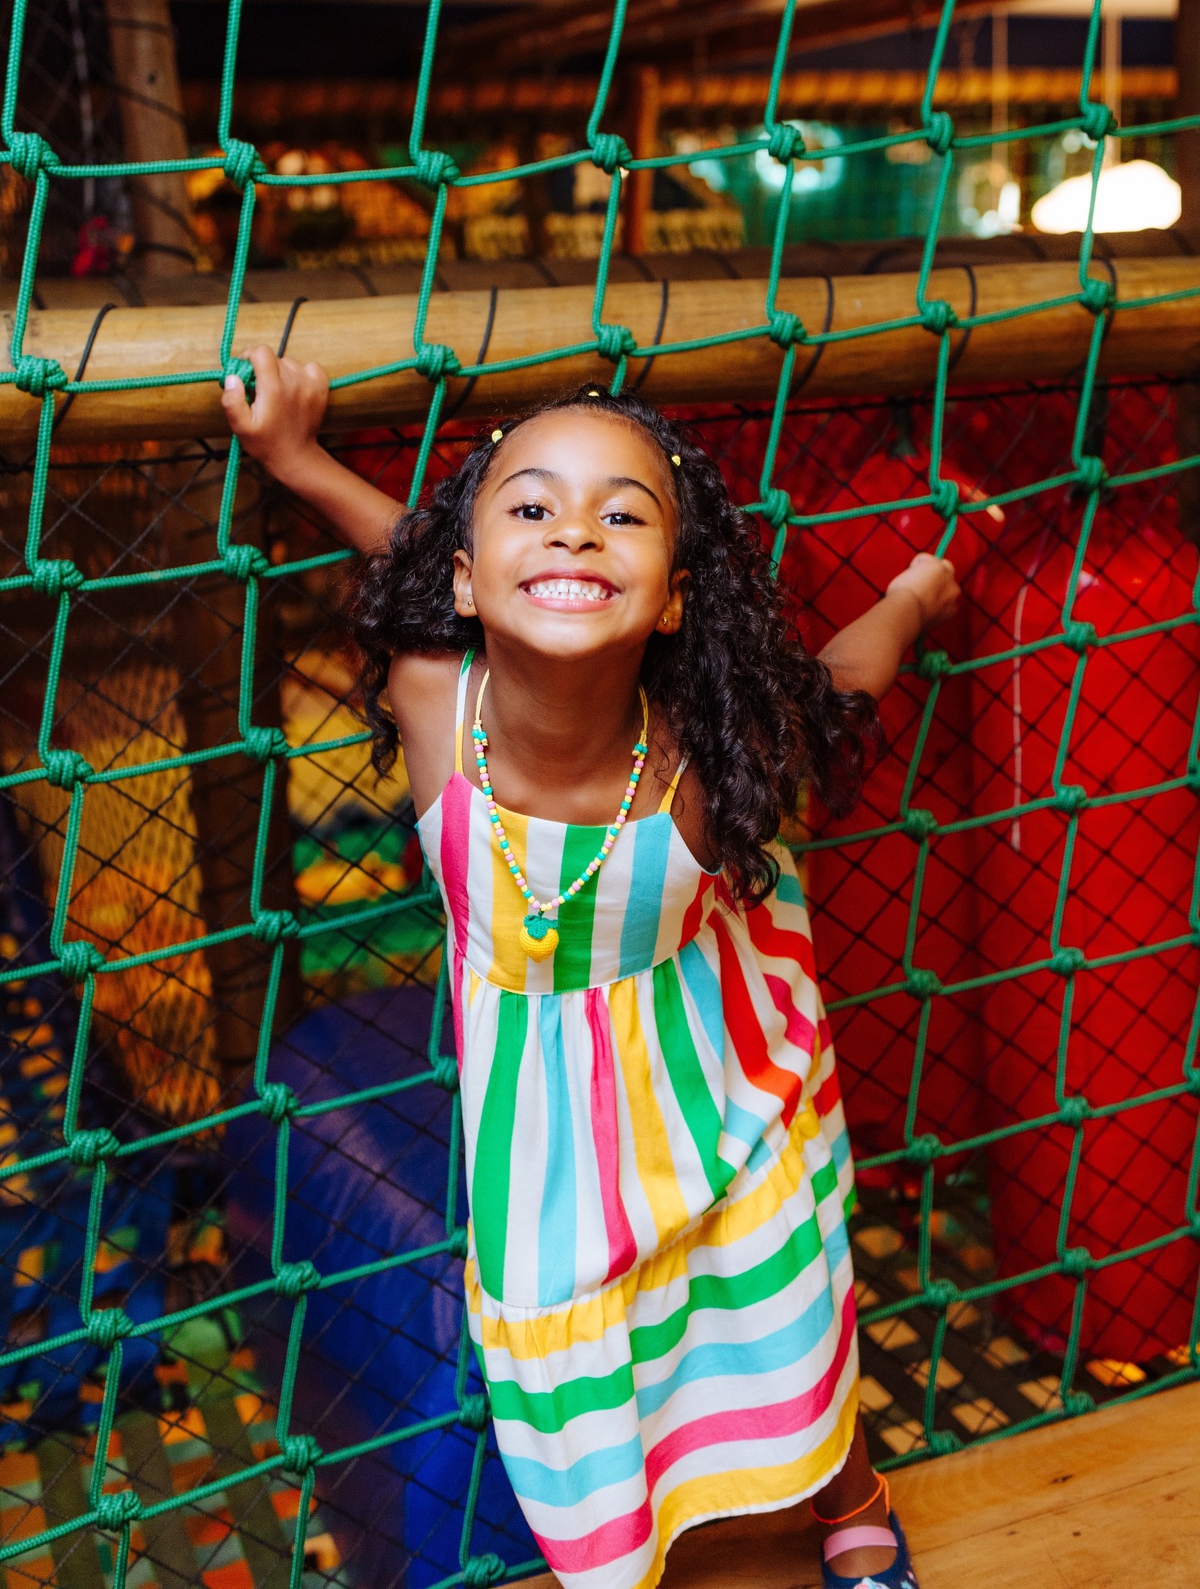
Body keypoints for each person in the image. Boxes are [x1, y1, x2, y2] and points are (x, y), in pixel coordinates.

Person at [223, 348, 959, 1589]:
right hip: (545, 1112)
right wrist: (295, 460)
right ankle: (627, 1557)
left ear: (672, 598)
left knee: (777, 1294)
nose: (573, 534)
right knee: (571, 1354)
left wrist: (915, 597)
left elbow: (841, 682)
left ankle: (849, 1484)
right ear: (464, 579)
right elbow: (408, 545)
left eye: (622, 516)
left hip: (716, 1056)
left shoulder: (706, 766)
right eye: (533, 509)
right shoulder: (432, 696)